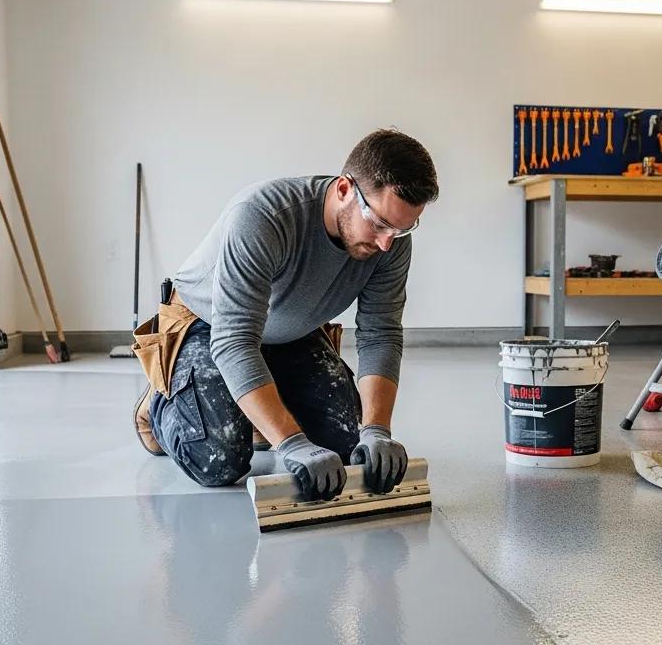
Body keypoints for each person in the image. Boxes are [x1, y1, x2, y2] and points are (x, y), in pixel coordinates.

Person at [133, 129, 439, 502]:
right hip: (207, 324)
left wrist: (377, 430)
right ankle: (161, 401)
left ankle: (259, 410)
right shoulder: (263, 217)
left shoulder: (391, 240)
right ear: (344, 189)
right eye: (378, 223)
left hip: (290, 330)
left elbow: (381, 333)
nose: (386, 242)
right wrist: (291, 442)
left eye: (402, 228)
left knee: (344, 445)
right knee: (218, 461)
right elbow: (234, 341)